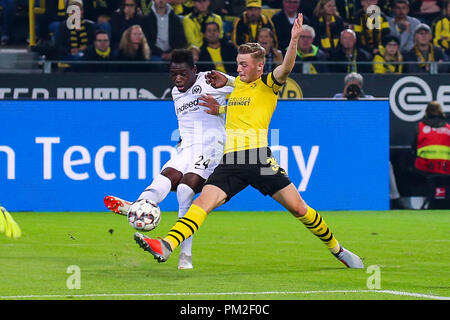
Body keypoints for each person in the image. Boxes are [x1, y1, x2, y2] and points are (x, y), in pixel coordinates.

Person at [133, 13, 365, 269]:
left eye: (244, 65)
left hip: (258, 159)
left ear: (259, 67)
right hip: (231, 161)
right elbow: (239, 109)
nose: (239, 69)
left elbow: (286, 67)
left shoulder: (268, 85)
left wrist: (294, 40)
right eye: (238, 64)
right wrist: (219, 109)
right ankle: (166, 245)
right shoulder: (237, 87)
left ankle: (338, 249)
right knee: (201, 204)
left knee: (299, 209)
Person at [105, 49, 235, 269]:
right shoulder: (176, 93)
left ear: (194, 70)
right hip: (187, 147)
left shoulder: (211, 79)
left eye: (183, 73)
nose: (178, 79)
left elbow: (249, 94)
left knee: (185, 190)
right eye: (173, 74)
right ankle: (140, 205)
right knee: (167, 175)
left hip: (212, 147)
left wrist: (223, 103)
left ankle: (185, 257)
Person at [414, 101, 450, 175]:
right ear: (441, 113)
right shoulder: (448, 129)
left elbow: (413, 149)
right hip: (446, 170)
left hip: (424, 171)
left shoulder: (420, 127)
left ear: (426, 113)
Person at [145, 0, 187, 64]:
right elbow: (146, 40)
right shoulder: (147, 19)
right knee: (156, 63)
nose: (161, 0)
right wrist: (160, 54)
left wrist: (172, 53)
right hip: (153, 54)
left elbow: (181, 40)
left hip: (173, 54)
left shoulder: (175, 19)